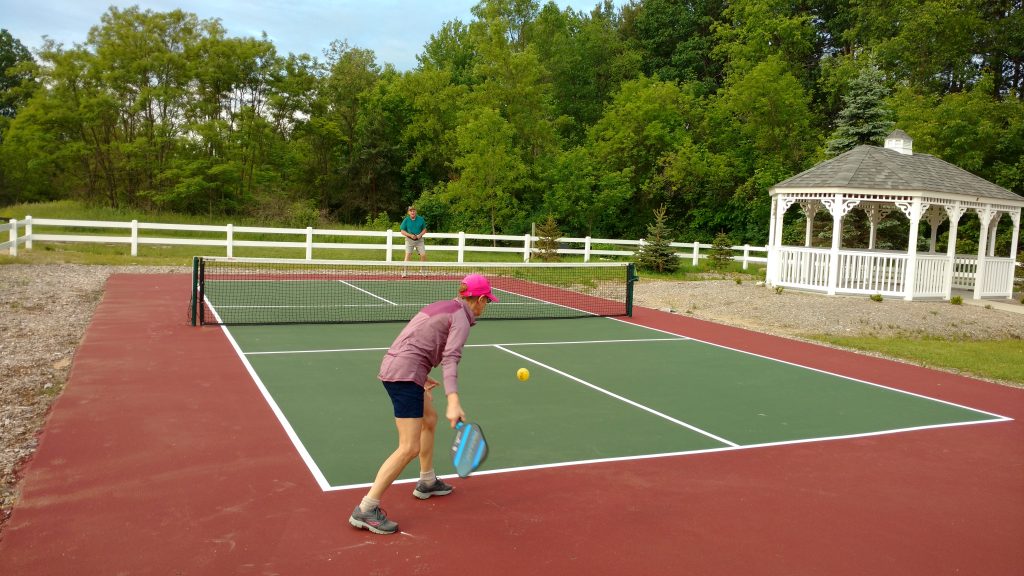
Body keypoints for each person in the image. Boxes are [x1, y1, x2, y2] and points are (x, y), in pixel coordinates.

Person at [348, 274, 499, 535]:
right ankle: (366, 508)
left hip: (400, 367)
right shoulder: (461, 319)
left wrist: (421, 374)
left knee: (429, 420)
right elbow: (451, 358)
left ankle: (426, 481)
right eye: (488, 301)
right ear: (482, 299)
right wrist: (453, 399)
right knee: (408, 447)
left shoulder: (441, 306)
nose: (486, 306)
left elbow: (412, 336)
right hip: (404, 376)